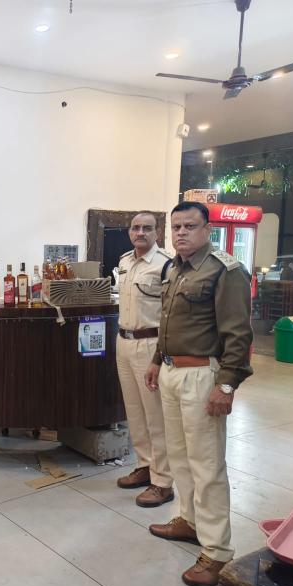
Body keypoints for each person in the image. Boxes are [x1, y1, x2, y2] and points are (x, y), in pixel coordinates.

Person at [144, 201, 253, 586]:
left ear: (208, 229)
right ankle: (189, 521)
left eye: (190, 226)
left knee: (206, 464)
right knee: (180, 457)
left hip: (201, 376)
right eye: (176, 227)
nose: (181, 233)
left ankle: (217, 550)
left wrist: (227, 384)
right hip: (172, 372)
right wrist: (156, 360)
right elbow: (168, 322)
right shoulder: (175, 268)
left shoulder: (225, 270)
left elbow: (238, 333)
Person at [115, 212, 175, 507]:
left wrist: (158, 356)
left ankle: (162, 482)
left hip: (149, 344)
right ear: (130, 232)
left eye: (147, 228)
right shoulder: (125, 261)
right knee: (134, 412)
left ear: (157, 232)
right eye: (136, 228)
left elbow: (170, 313)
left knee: (155, 416)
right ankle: (144, 466)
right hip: (123, 342)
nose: (140, 232)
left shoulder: (166, 264)